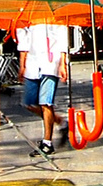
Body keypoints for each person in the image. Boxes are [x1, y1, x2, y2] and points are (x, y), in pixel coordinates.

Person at [15, 22, 70, 155]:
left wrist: (63, 63)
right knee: (28, 103)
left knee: (46, 102)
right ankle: (60, 122)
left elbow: (62, 36)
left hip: (51, 63)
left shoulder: (54, 16)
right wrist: (22, 65)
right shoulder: (26, 16)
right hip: (32, 63)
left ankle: (47, 142)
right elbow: (23, 40)